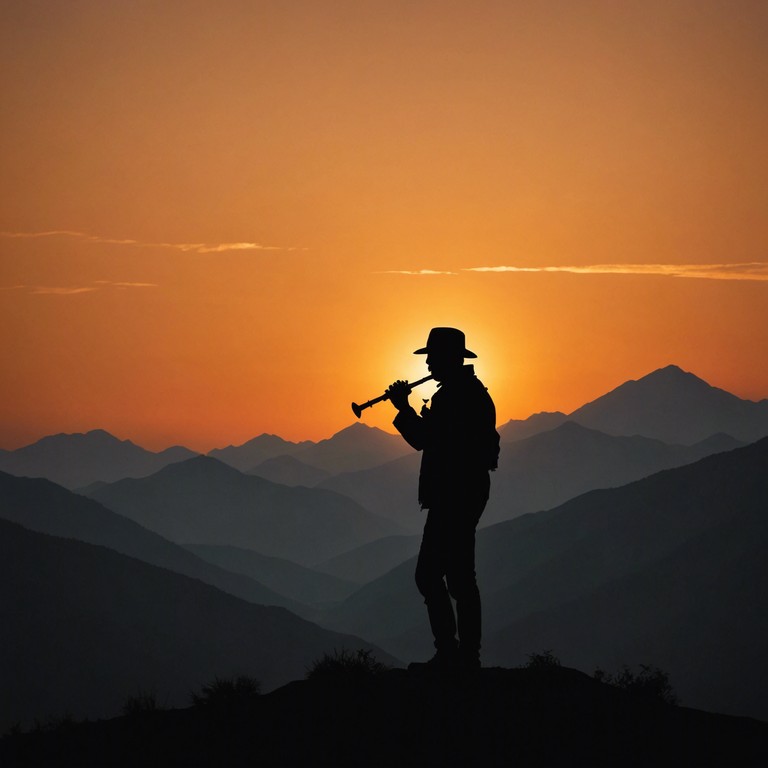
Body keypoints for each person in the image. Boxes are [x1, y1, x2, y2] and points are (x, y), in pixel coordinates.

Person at [386, 327, 499, 671]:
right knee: (460, 576)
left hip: (455, 494)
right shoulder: (466, 392)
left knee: (433, 575)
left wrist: (403, 409)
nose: (430, 364)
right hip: (466, 491)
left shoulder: (454, 397)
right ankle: (463, 656)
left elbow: (425, 440)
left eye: (433, 357)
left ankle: (454, 655)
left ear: (450, 359)